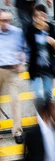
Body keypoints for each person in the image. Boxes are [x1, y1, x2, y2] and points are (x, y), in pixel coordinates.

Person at [0, 10, 26, 144]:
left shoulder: (16, 32)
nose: (6, 23)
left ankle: (17, 131)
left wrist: (21, 61)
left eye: (8, 20)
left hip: (13, 71)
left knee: (15, 102)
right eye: (3, 20)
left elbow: (24, 49)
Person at [25, 4, 55, 102]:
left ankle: (47, 113)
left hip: (48, 67)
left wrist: (54, 43)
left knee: (48, 95)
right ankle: (41, 115)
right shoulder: (30, 29)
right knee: (38, 96)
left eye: (43, 15)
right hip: (34, 67)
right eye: (37, 16)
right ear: (33, 18)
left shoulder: (52, 28)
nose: (40, 18)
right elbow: (30, 46)